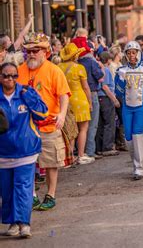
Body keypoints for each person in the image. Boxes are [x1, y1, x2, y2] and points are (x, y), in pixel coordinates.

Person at [17, 32, 71, 211]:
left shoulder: (54, 70)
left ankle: (51, 194)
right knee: (27, 162)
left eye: (36, 50)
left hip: (49, 124)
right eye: (29, 51)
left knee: (50, 162)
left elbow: (63, 95)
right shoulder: (19, 71)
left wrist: (62, 115)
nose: (31, 54)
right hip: (25, 127)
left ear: (45, 52)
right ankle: (31, 195)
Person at [0, 62, 48, 238]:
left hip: (26, 150)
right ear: (0, 76)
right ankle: (13, 221)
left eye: (14, 75)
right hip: (3, 152)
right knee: (6, 190)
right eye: (6, 75)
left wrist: (30, 99)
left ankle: (24, 223)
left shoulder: (26, 92)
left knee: (23, 187)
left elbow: (43, 113)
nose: (10, 79)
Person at [115, 41, 143, 180]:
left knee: (137, 134)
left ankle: (139, 168)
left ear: (139, 53)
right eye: (129, 53)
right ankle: (135, 164)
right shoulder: (121, 69)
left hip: (142, 106)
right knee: (128, 137)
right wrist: (122, 80)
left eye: (134, 52)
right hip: (127, 107)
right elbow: (118, 92)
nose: (131, 55)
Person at [58, 43, 94, 165]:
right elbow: (86, 87)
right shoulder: (79, 68)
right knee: (83, 128)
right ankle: (81, 155)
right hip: (80, 99)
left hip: (65, 100)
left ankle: (69, 156)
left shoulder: (58, 67)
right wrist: (90, 102)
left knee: (70, 129)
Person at [77, 33, 104, 159]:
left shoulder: (77, 63)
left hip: (78, 95)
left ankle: (80, 151)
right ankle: (90, 151)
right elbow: (100, 78)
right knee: (92, 124)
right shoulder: (92, 62)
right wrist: (102, 68)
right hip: (91, 93)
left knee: (80, 126)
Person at [96, 51, 120, 157]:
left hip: (99, 98)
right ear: (108, 60)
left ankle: (99, 147)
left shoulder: (98, 68)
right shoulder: (105, 69)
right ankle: (107, 147)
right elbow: (105, 86)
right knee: (109, 123)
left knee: (101, 123)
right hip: (106, 98)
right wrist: (114, 99)